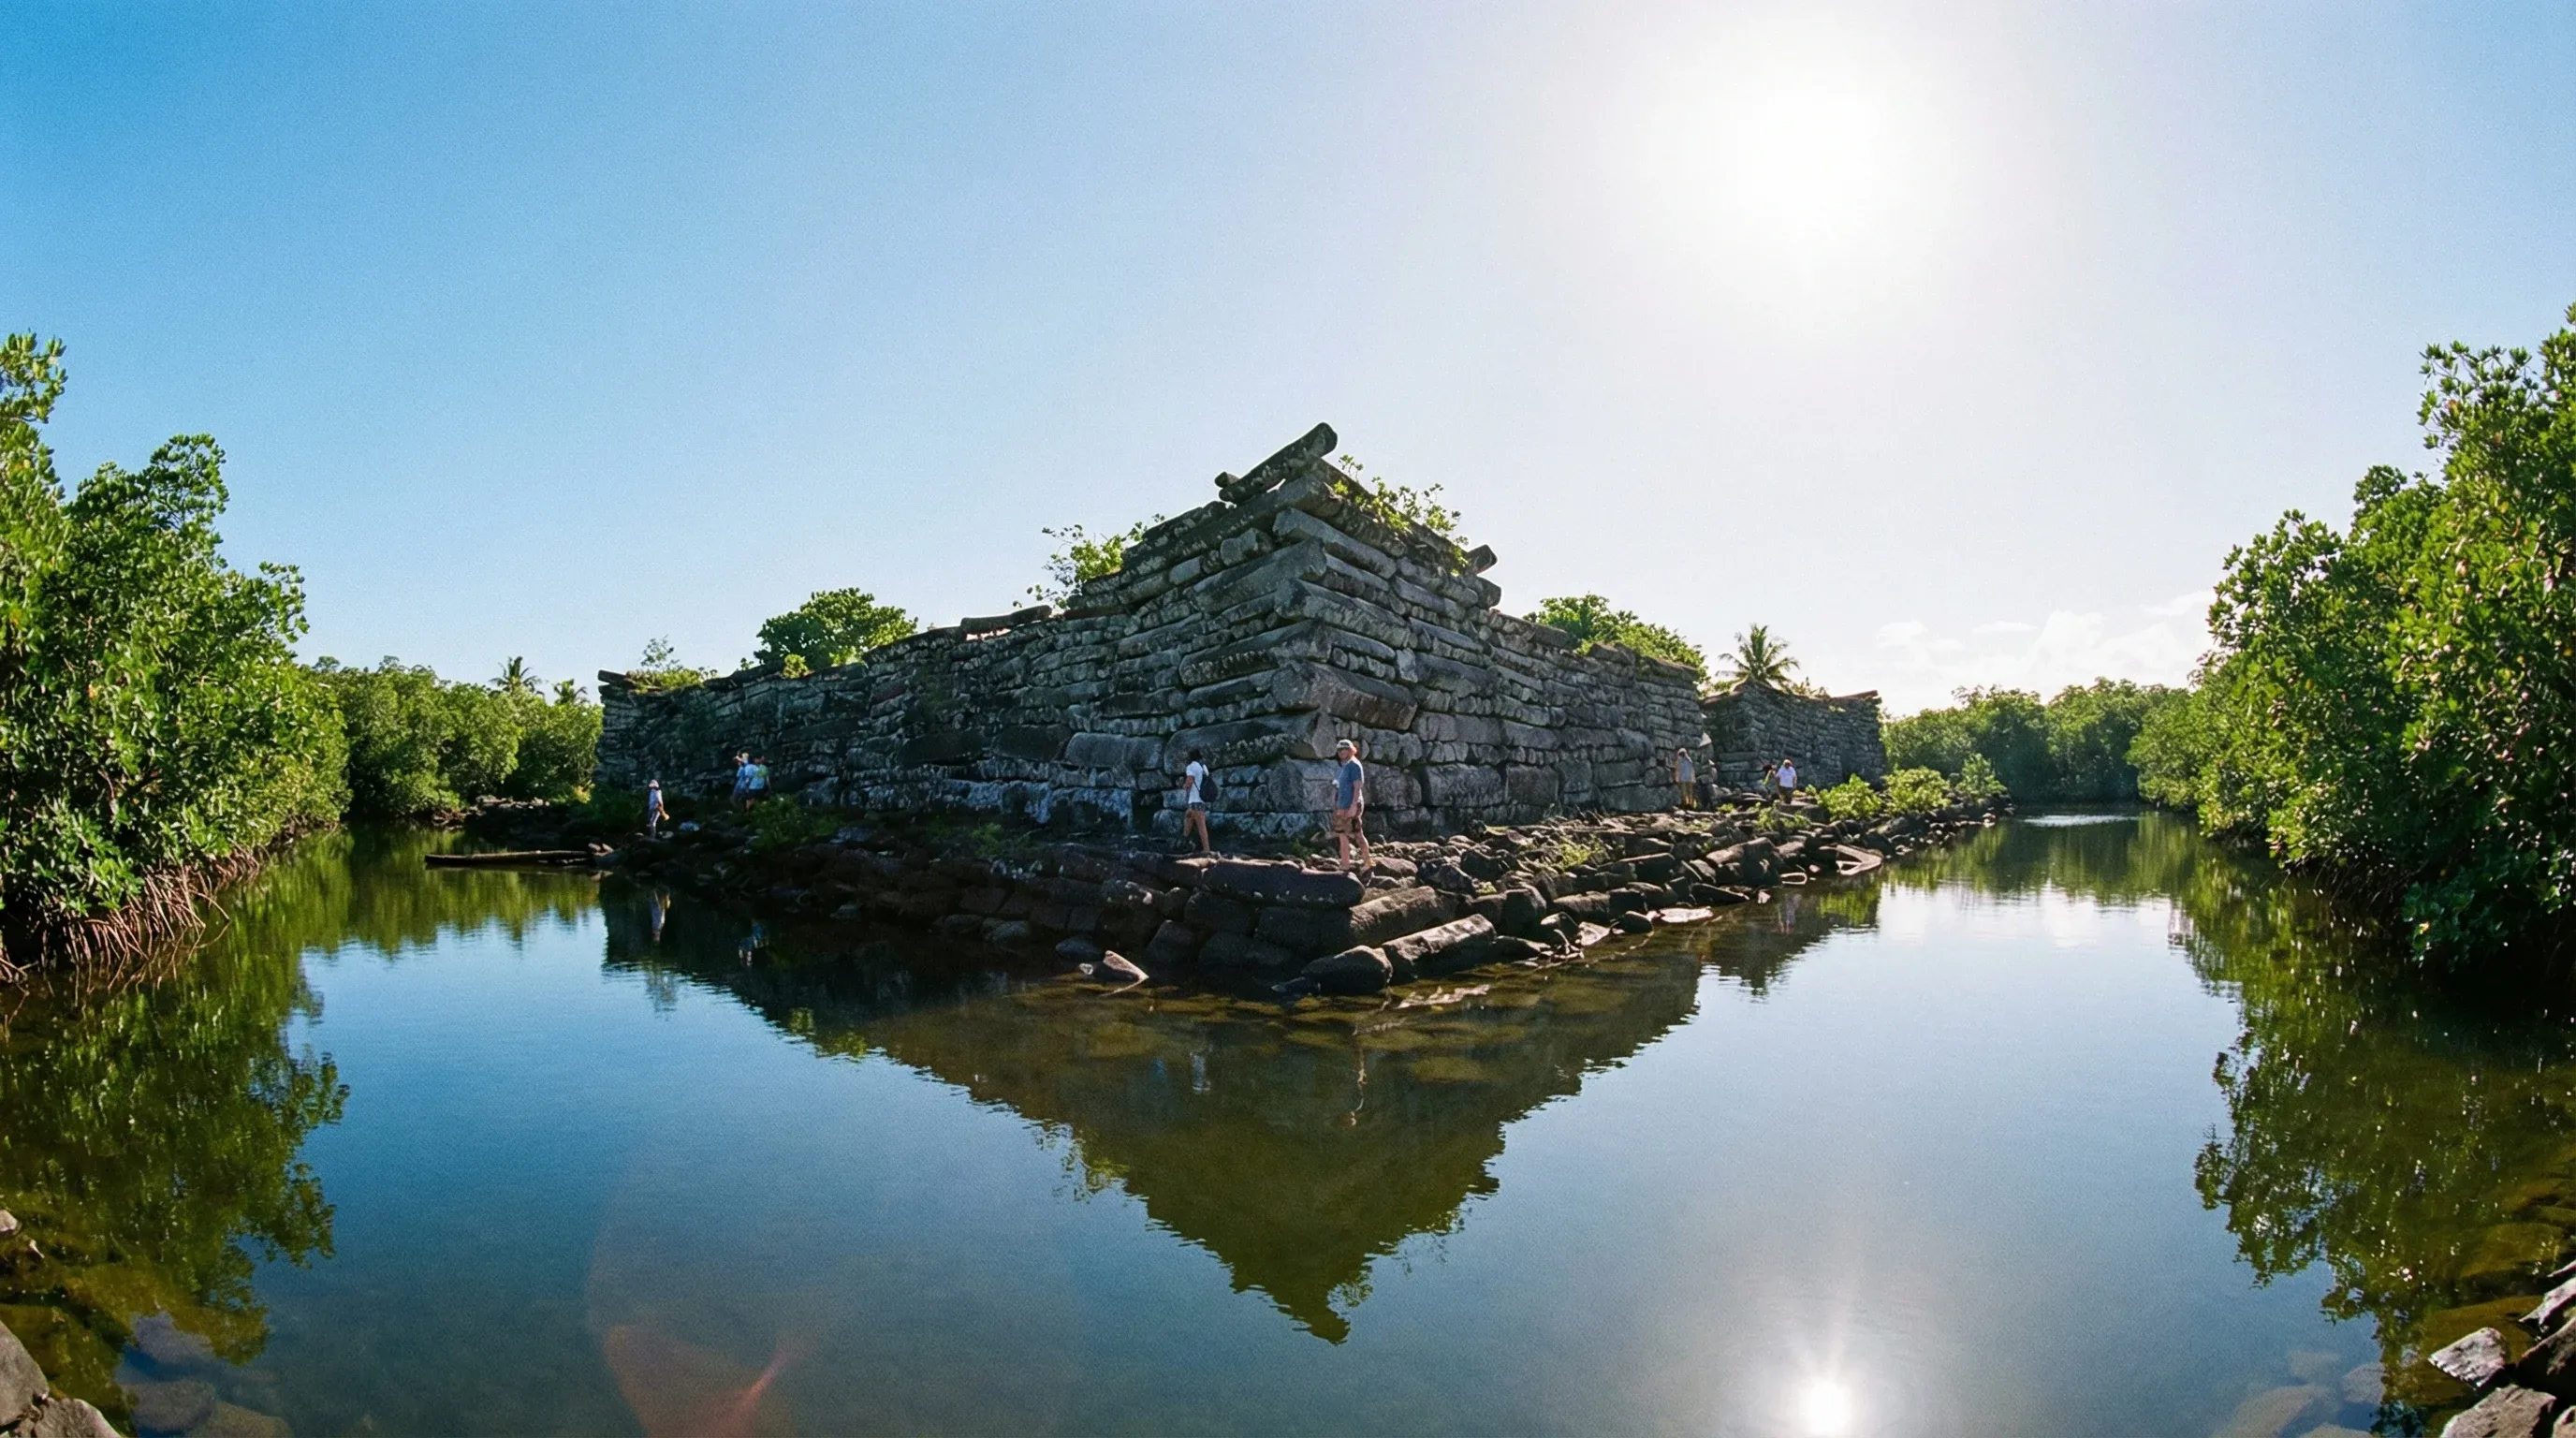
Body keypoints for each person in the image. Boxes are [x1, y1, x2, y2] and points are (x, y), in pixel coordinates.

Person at [1331, 739, 1370, 873]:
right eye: (1340, 750)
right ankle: (1349, 864)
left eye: (1345, 749)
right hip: (1342, 806)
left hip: (1351, 805)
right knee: (1346, 834)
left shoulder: (1354, 765)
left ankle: (1363, 864)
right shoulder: (1343, 766)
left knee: (1353, 835)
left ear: (1351, 750)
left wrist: (1354, 806)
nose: (1342, 752)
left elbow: (1358, 786)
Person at [1180, 749, 1213, 855]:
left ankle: (1206, 849)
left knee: (1201, 825)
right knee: (1188, 817)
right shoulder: (1203, 767)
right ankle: (1184, 840)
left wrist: (1185, 786)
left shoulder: (1191, 767)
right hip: (1201, 799)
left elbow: (1190, 780)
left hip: (1195, 799)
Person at [1672, 747, 1697, 811]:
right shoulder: (1679, 761)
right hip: (1683, 779)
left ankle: (1691, 805)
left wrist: (1693, 778)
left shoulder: (1689, 760)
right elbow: (1677, 770)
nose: (1682, 754)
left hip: (1689, 779)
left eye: (1683, 753)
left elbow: (1692, 770)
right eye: (1681, 753)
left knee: (1690, 792)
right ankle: (1685, 804)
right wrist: (1677, 778)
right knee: (1683, 793)